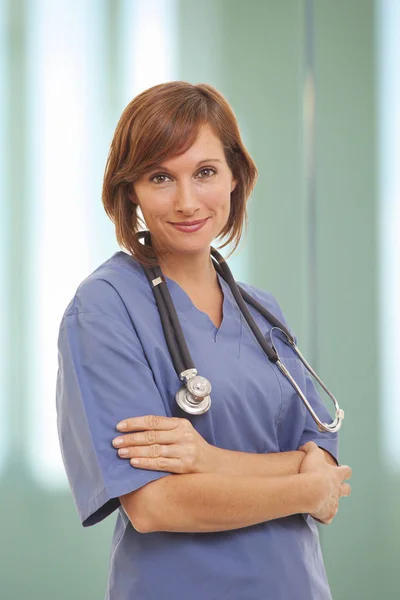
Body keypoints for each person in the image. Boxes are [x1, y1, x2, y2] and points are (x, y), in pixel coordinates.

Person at [56, 81, 352, 600]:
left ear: (236, 176)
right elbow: (154, 506)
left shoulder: (260, 311)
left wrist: (208, 460)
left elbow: (323, 453)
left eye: (206, 172)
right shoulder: (104, 308)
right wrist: (303, 488)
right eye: (161, 177)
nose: (187, 201)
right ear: (131, 191)